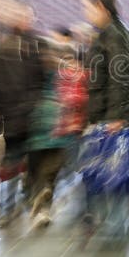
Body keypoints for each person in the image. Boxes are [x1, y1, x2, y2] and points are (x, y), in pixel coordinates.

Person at [82, 0, 129, 238]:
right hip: (104, 113)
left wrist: (117, 116)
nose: (85, 13)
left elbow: (121, 78)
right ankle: (110, 225)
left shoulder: (114, 35)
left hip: (110, 116)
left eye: (87, 7)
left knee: (112, 174)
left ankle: (115, 228)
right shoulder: (108, 33)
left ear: (101, 7)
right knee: (104, 172)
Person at [0, 0, 44, 227]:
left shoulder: (36, 45)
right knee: (11, 163)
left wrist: (32, 105)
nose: (24, 19)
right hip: (13, 117)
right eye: (21, 15)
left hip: (30, 115)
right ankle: (9, 205)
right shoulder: (5, 44)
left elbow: (39, 80)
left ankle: (26, 199)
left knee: (30, 163)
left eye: (27, 16)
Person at [24, 41, 86, 229]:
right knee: (46, 174)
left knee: (43, 174)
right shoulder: (62, 76)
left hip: (47, 134)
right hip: (54, 133)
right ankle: (42, 206)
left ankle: (42, 207)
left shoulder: (47, 76)